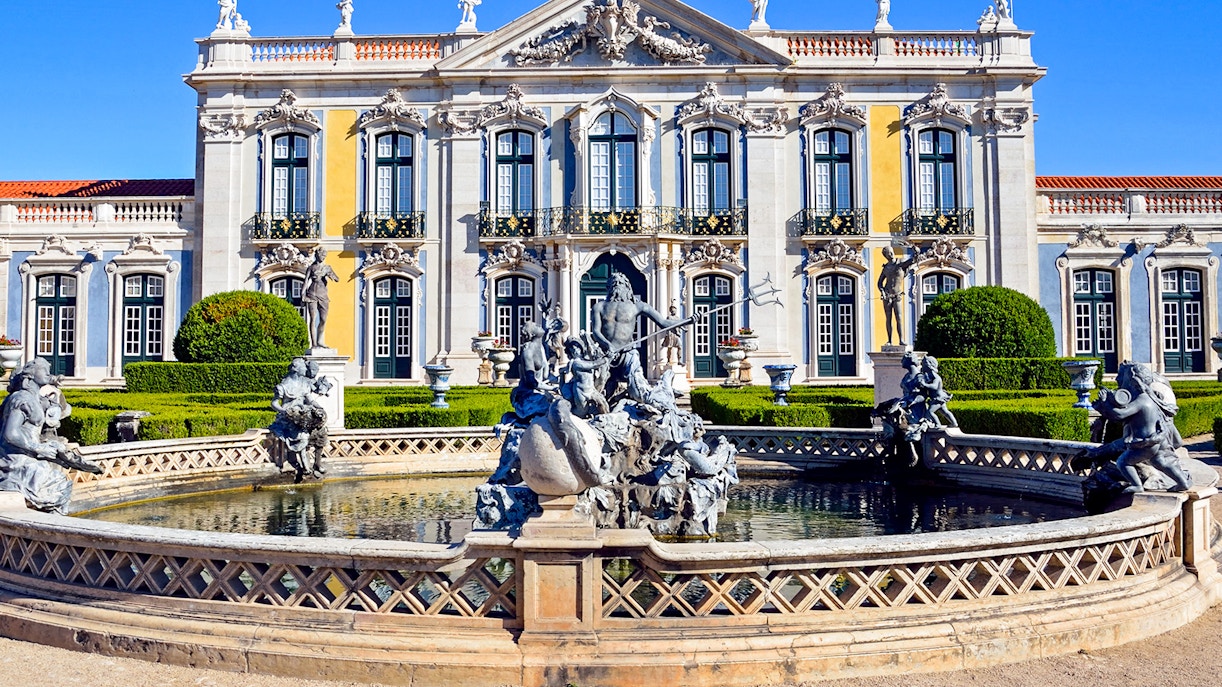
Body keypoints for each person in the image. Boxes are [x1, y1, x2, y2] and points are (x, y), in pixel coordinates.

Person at [0, 358, 101, 513]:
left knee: (58, 480)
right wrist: (38, 448)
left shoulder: (33, 398)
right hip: (15, 460)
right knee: (58, 483)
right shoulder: (21, 398)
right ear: (30, 376)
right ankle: (52, 523)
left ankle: (51, 521)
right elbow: (10, 433)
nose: (48, 372)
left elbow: (32, 433)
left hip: (25, 454)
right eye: (42, 369)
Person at [1092, 362, 1191, 493]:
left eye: (1120, 376)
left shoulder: (1141, 399)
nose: (1117, 379)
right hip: (1156, 440)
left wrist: (1104, 404)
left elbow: (1119, 414)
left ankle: (1137, 485)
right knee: (1161, 462)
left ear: (1131, 379)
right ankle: (1183, 482)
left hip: (1144, 442)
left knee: (1123, 462)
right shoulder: (1150, 398)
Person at [590, 272, 690, 401]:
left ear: (628, 286)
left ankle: (659, 399)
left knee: (638, 392)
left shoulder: (637, 306)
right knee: (598, 393)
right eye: (614, 283)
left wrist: (688, 321)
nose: (617, 286)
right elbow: (596, 331)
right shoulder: (599, 307)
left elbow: (664, 323)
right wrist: (608, 345)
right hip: (606, 354)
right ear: (608, 287)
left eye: (621, 283)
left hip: (628, 353)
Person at [877, 245, 916, 345]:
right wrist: (882, 292)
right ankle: (889, 340)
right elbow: (879, 283)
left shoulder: (900, 264)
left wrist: (916, 251)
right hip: (887, 295)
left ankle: (901, 340)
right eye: (888, 253)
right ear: (885, 256)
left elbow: (913, 260)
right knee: (888, 318)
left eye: (891, 252)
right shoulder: (886, 268)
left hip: (897, 295)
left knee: (899, 317)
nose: (891, 254)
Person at [302, 248, 340, 350]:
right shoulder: (311, 268)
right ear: (317, 255)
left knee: (323, 319)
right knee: (313, 318)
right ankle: (314, 343)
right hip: (312, 294)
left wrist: (329, 274)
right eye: (321, 255)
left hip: (323, 295)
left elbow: (337, 279)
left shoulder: (327, 268)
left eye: (324, 256)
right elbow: (306, 281)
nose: (322, 257)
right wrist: (303, 295)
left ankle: (320, 341)